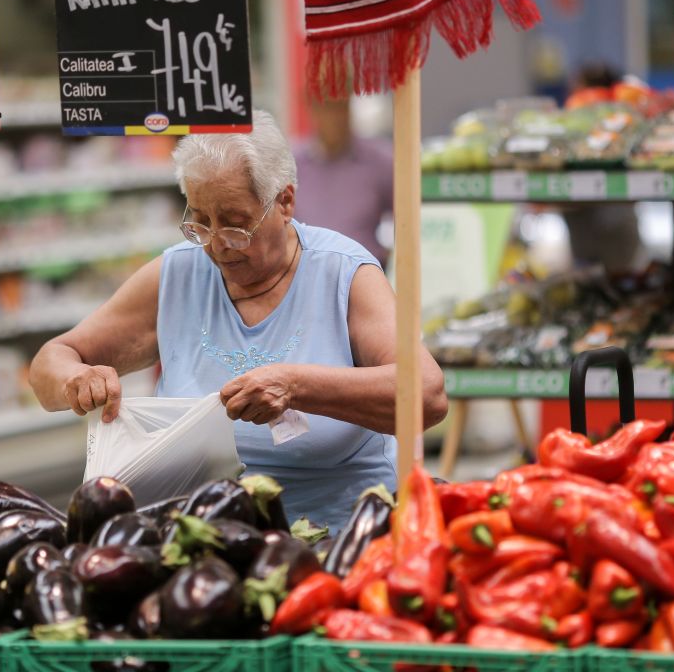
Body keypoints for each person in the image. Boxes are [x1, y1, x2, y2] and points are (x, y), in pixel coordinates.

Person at [30, 110, 448, 530]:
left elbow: (426, 395)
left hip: (342, 537)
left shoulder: (343, 273)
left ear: (285, 202)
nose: (215, 245)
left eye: (235, 225)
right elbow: (51, 361)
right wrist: (77, 380)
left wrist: (297, 385)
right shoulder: (177, 275)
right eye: (199, 221)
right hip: (205, 539)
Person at [292, 96, 395, 266]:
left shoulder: (379, 162)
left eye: (339, 106)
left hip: (364, 278)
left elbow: (408, 217)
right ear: (312, 109)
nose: (333, 116)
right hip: (305, 277)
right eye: (325, 106)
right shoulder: (292, 164)